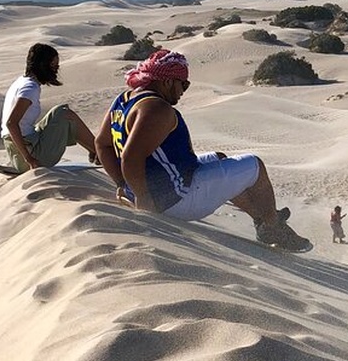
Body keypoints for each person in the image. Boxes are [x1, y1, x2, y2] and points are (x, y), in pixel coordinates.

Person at [93, 49, 310, 251]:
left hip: (156, 186)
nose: (183, 91)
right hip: (175, 198)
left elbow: (102, 144)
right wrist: (143, 198)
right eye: (183, 84)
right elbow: (131, 157)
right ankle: (273, 227)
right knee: (255, 166)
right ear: (167, 82)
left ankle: (261, 219)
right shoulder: (157, 108)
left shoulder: (124, 100)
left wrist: (123, 184)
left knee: (221, 160)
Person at [0, 43, 98, 173]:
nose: (56, 70)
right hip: (31, 156)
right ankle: (101, 152)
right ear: (43, 65)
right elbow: (11, 123)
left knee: (57, 112)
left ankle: (96, 151)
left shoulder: (20, 82)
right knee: (64, 114)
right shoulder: (30, 88)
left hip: (19, 151)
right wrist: (29, 159)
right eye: (54, 65)